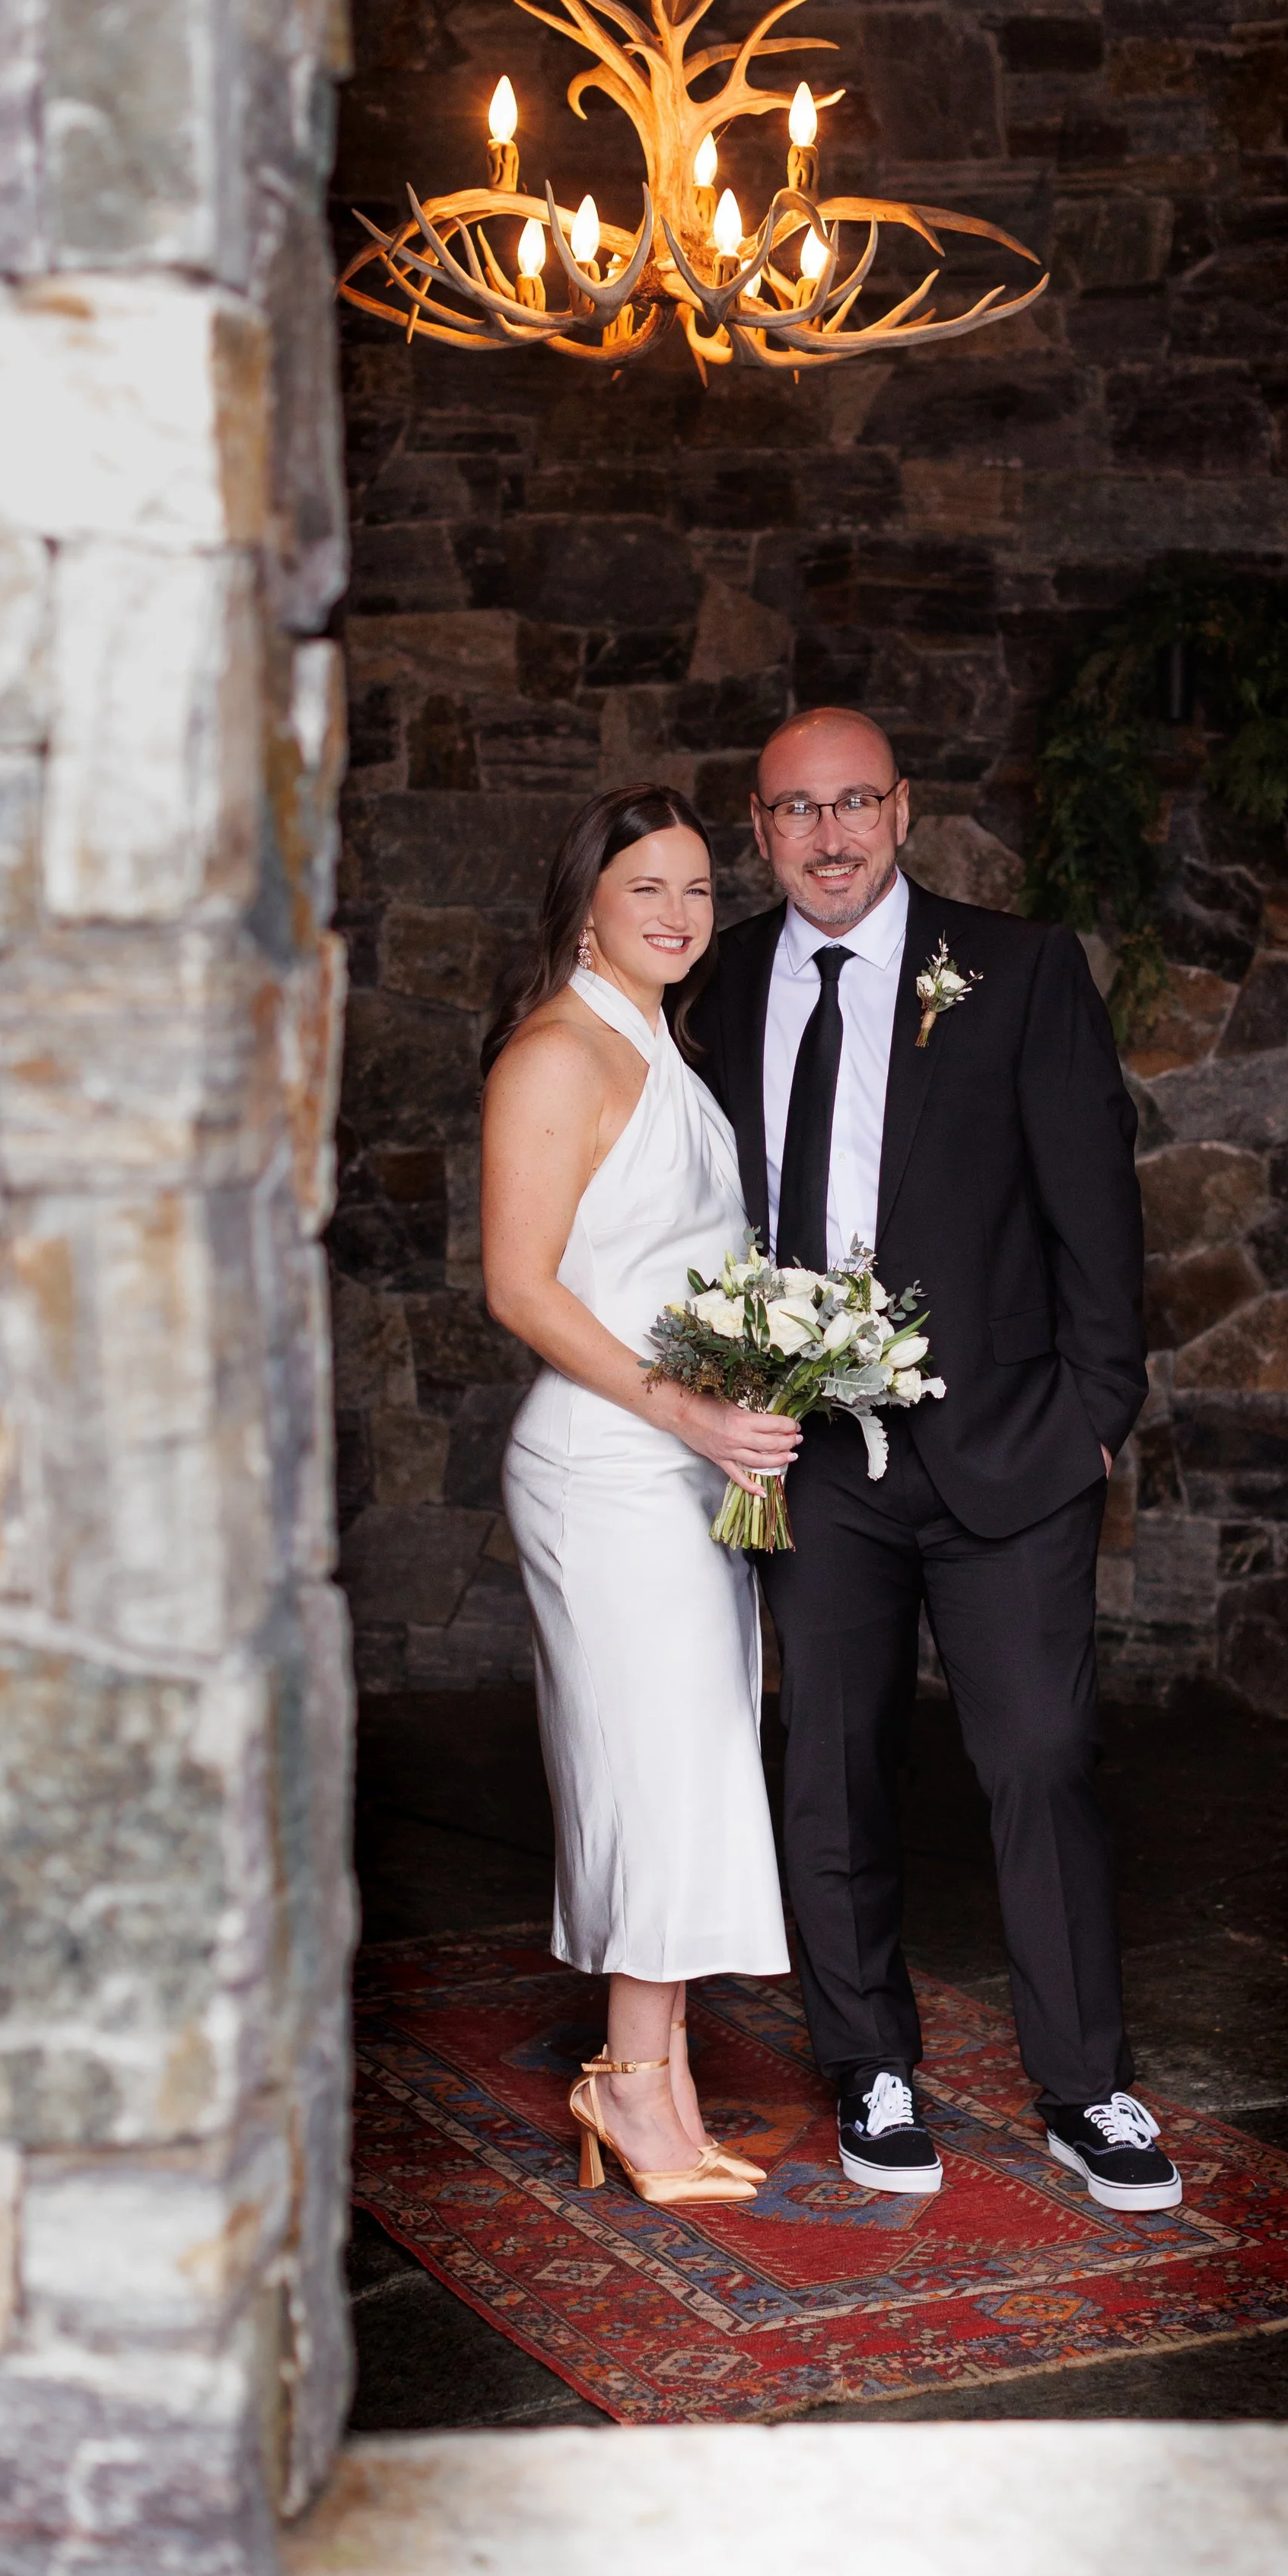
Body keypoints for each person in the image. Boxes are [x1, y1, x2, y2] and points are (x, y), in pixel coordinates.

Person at [689, 708, 1181, 2213]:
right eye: (793, 812)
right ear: (758, 830)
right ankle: (866, 2063)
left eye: (852, 805)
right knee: (827, 1767)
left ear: (902, 812)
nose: (826, 837)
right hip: (812, 1448)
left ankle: (1083, 2087)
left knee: (1036, 1758)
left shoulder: (1019, 970)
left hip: (1005, 1449)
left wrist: (1094, 1413)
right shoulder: (708, 992)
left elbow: (1094, 1210)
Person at [480, 783, 798, 2208]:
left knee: (692, 1761)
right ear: (589, 906)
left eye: (696, 890)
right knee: (653, 1772)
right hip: (606, 1464)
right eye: (646, 890)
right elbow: (520, 1285)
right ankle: (630, 2084)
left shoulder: (660, 1045)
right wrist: (683, 1405)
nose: (678, 915)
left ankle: (648, 2081)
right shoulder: (560, 1051)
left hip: (683, 1459)